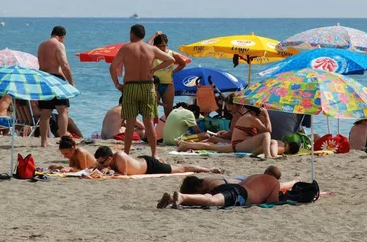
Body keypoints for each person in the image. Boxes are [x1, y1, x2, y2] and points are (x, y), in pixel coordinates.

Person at [110, 24, 174, 157]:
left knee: (130, 123)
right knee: (149, 122)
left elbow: (113, 67)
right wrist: (154, 70)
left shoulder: (126, 48)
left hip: (130, 86)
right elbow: (170, 59)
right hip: (148, 86)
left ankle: (126, 153)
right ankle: (154, 154)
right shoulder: (151, 49)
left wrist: (117, 84)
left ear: (132, 34)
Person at [177, 104, 294, 159]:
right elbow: (268, 130)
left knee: (272, 141)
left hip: (241, 144)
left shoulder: (251, 118)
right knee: (267, 135)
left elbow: (266, 131)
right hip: (238, 145)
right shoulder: (250, 118)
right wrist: (267, 115)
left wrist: (264, 116)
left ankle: (186, 144)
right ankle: (268, 155)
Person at [157, 171, 281, 209]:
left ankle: (172, 199)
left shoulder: (255, 175)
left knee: (207, 197)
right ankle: (182, 197)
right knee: (212, 201)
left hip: (233, 187)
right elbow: (272, 202)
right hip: (241, 194)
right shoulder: (275, 182)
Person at [37, 26, 75, 147]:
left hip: (43, 79)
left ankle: (44, 141)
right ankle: (64, 140)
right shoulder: (59, 45)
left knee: (45, 113)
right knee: (63, 110)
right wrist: (71, 83)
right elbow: (64, 64)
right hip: (56, 79)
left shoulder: (41, 45)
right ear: (62, 36)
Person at [93, 146, 222, 176]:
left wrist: (108, 171)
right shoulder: (109, 160)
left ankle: (208, 169)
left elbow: (123, 175)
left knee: (181, 168)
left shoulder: (120, 156)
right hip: (142, 161)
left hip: (150, 166)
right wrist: (105, 168)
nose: (101, 164)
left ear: (109, 158)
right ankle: (159, 159)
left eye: (103, 162)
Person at [178, 166, 299, 195]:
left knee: (280, 186)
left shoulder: (212, 188)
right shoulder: (205, 180)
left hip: (242, 184)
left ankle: (294, 182)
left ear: (198, 188)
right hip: (238, 180)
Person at [148, 32, 186, 117]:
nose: (162, 48)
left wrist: (173, 72)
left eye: (164, 45)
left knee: (168, 111)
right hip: (155, 84)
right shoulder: (153, 54)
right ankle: (152, 129)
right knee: (152, 110)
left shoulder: (171, 54)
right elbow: (147, 45)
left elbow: (182, 64)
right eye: (159, 46)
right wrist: (154, 35)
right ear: (155, 46)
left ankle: (168, 129)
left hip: (168, 84)